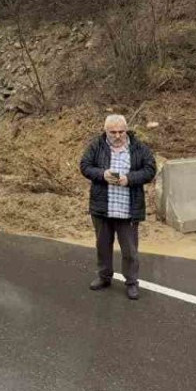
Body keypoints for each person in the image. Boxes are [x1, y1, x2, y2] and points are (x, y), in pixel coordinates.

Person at [79, 114, 157, 300]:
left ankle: (131, 283)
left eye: (121, 131)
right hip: (103, 207)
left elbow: (150, 170)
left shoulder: (138, 147)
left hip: (128, 209)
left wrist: (129, 179)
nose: (118, 135)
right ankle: (104, 277)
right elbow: (84, 166)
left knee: (130, 250)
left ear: (126, 130)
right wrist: (101, 174)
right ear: (106, 131)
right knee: (103, 246)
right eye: (113, 132)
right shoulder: (97, 146)